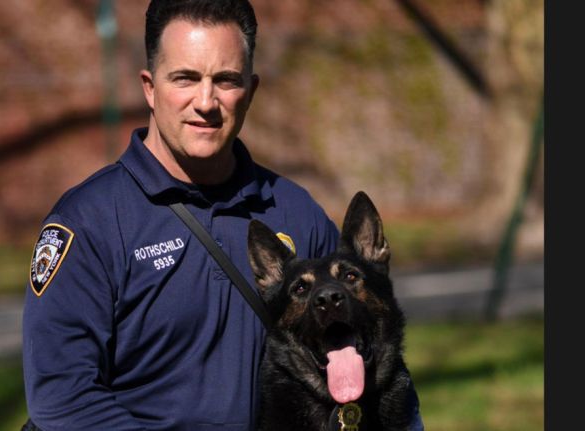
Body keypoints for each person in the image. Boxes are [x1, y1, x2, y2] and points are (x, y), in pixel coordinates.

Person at [21, 0, 423, 430]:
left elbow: (372, 350)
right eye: (185, 79)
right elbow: (62, 398)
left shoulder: (294, 211)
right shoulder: (91, 221)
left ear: (250, 90)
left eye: (226, 80)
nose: (206, 102)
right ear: (149, 87)